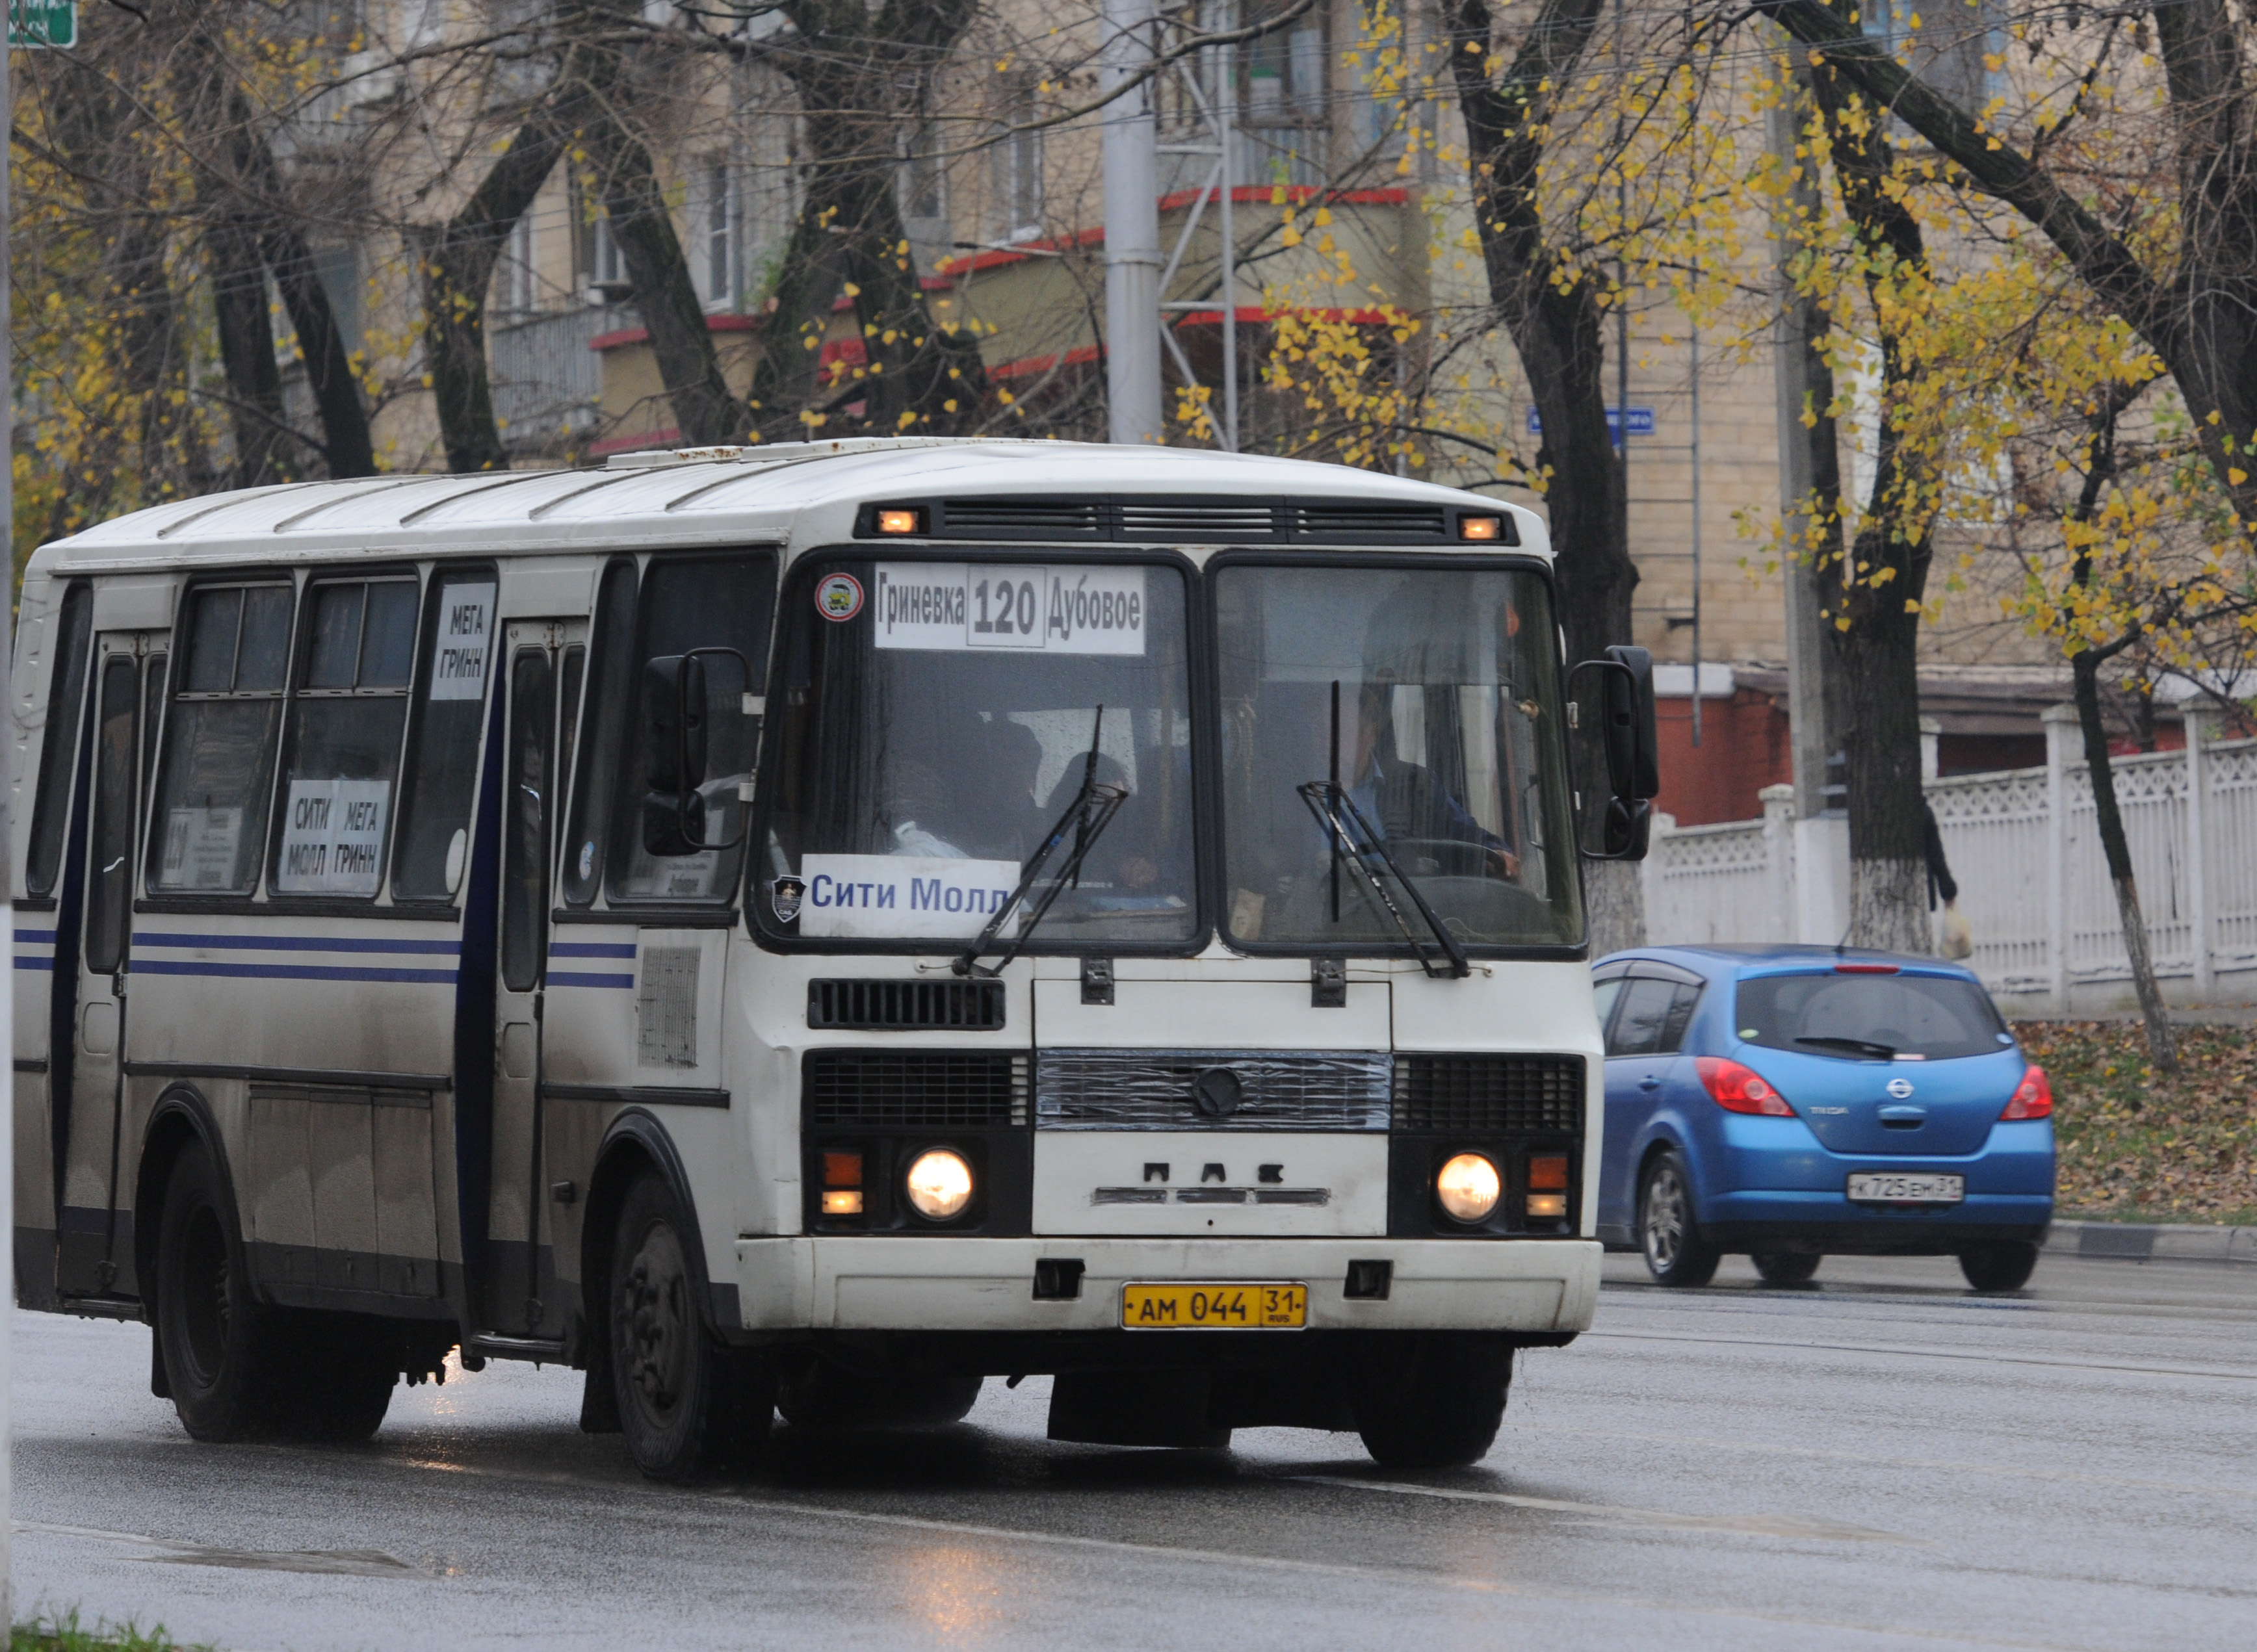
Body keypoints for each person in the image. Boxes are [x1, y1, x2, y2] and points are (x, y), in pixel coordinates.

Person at [1337, 677, 1519, 879]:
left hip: (1401, 904)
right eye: (1320, 730)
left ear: (1370, 733)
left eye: (1340, 729)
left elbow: (1462, 833)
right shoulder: (1299, 798)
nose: (1326, 739)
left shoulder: (1415, 785)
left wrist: (1495, 851)